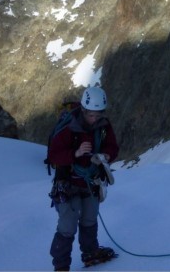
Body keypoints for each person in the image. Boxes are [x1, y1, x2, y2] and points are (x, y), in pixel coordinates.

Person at [48, 86, 120, 272]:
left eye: (98, 114)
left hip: (90, 182)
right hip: (68, 183)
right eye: (91, 115)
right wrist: (76, 153)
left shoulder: (103, 125)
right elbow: (54, 155)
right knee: (67, 226)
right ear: (83, 109)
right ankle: (61, 266)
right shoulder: (69, 126)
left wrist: (105, 156)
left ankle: (90, 252)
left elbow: (113, 147)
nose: (94, 119)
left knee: (89, 219)